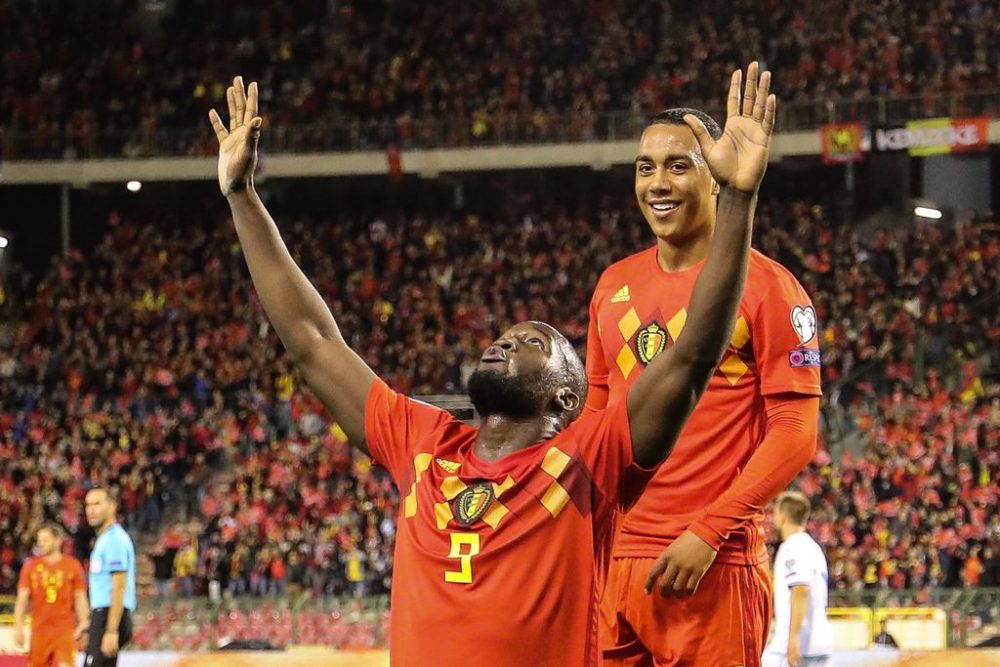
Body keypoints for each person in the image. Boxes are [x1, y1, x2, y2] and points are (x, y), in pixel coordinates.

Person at [197, 61, 776, 666]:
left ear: (566, 400)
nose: (504, 342)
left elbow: (692, 356)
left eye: (535, 342)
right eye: (504, 336)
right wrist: (241, 197)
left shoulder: (588, 463)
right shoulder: (423, 441)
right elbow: (313, 340)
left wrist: (737, 198)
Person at [586, 63, 822, 667]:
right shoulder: (613, 284)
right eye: (645, 168)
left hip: (712, 563)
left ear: (716, 178)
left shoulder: (771, 287)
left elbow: (796, 432)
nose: (658, 182)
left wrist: (710, 530)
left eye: (678, 165)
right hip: (614, 565)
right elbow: (595, 418)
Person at [762, 492, 833, 667]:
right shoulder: (813, 547)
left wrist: (792, 639)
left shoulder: (793, 547)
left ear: (783, 516)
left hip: (796, 647)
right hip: (817, 643)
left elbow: (800, 590)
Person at [13, 524, 89, 667]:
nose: (41, 543)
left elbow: (80, 597)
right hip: (39, 629)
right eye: (39, 540)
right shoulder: (31, 567)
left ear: (58, 540)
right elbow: (22, 599)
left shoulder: (72, 565)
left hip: (64, 629)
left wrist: (84, 623)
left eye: (45, 539)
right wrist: (19, 627)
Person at [84, 488, 137, 667]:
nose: (91, 510)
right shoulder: (104, 539)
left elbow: (119, 585)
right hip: (102, 614)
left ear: (112, 507)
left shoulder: (114, 539)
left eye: (97, 504)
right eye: (88, 505)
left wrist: (111, 630)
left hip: (109, 615)